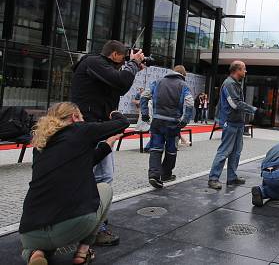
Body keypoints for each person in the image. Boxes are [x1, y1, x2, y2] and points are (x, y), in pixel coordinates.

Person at [19, 103, 128, 265]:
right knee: (105, 189)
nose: (83, 120)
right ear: (74, 117)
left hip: (29, 232)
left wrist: (107, 145)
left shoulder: (40, 145)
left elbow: (84, 161)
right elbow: (123, 124)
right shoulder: (80, 130)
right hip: (73, 226)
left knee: (35, 245)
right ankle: (82, 252)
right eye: (82, 117)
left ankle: (36, 254)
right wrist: (116, 114)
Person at [70, 39, 143, 246]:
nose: (123, 64)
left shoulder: (100, 70)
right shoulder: (93, 63)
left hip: (97, 127)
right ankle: (95, 227)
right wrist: (134, 64)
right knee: (103, 176)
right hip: (91, 127)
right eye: (122, 59)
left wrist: (132, 68)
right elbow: (120, 81)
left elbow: (119, 87)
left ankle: (86, 221)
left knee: (96, 174)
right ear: (114, 55)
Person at [208, 61, 262, 190]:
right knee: (224, 151)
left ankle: (231, 177)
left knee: (236, 152)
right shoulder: (229, 84)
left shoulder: (235, 83)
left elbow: (236, 104)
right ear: (237, 70)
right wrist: (254, 110)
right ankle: (213, 178)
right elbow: (235, 104)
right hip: (230, 123)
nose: (245, 71)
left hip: (237, 123)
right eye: (244, 69)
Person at [141, 65, 194, 189]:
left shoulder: (157, 82)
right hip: (173, 123)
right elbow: (190, 103)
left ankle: (154, 175)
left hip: (157, 121)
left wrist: (145, 114)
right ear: (183, 75)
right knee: (171, 150)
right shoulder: (183, 85)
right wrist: (184, 121)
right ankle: (166, 174)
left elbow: (144, 96)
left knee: (155, 149)